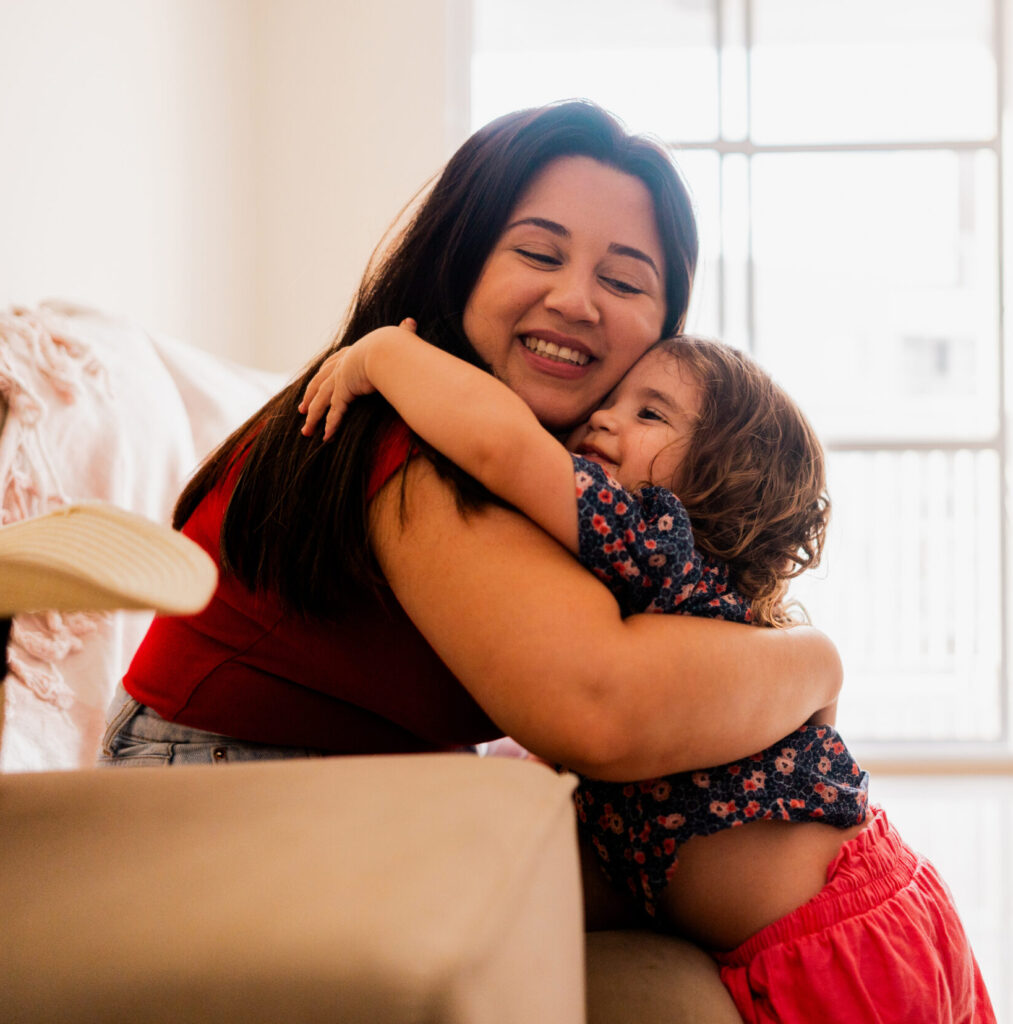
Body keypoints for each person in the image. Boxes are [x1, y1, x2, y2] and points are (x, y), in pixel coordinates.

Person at [102, 100, 840, 778]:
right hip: (221, 782)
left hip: (368, 781)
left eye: (622, 282)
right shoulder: (407, 439)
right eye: (539, 255)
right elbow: (598, 710)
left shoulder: (590, 483)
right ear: (458, 261)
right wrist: (815, 663)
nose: (575, 301)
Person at [300, 327, 996, 1023]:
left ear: (724, 478)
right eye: (609, 401)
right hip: (867, 912)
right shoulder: (669, 608)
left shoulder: (658, 544)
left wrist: (384, 356)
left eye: (649, 412)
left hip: (843, 941)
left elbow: (502, 447)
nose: (603, 418)